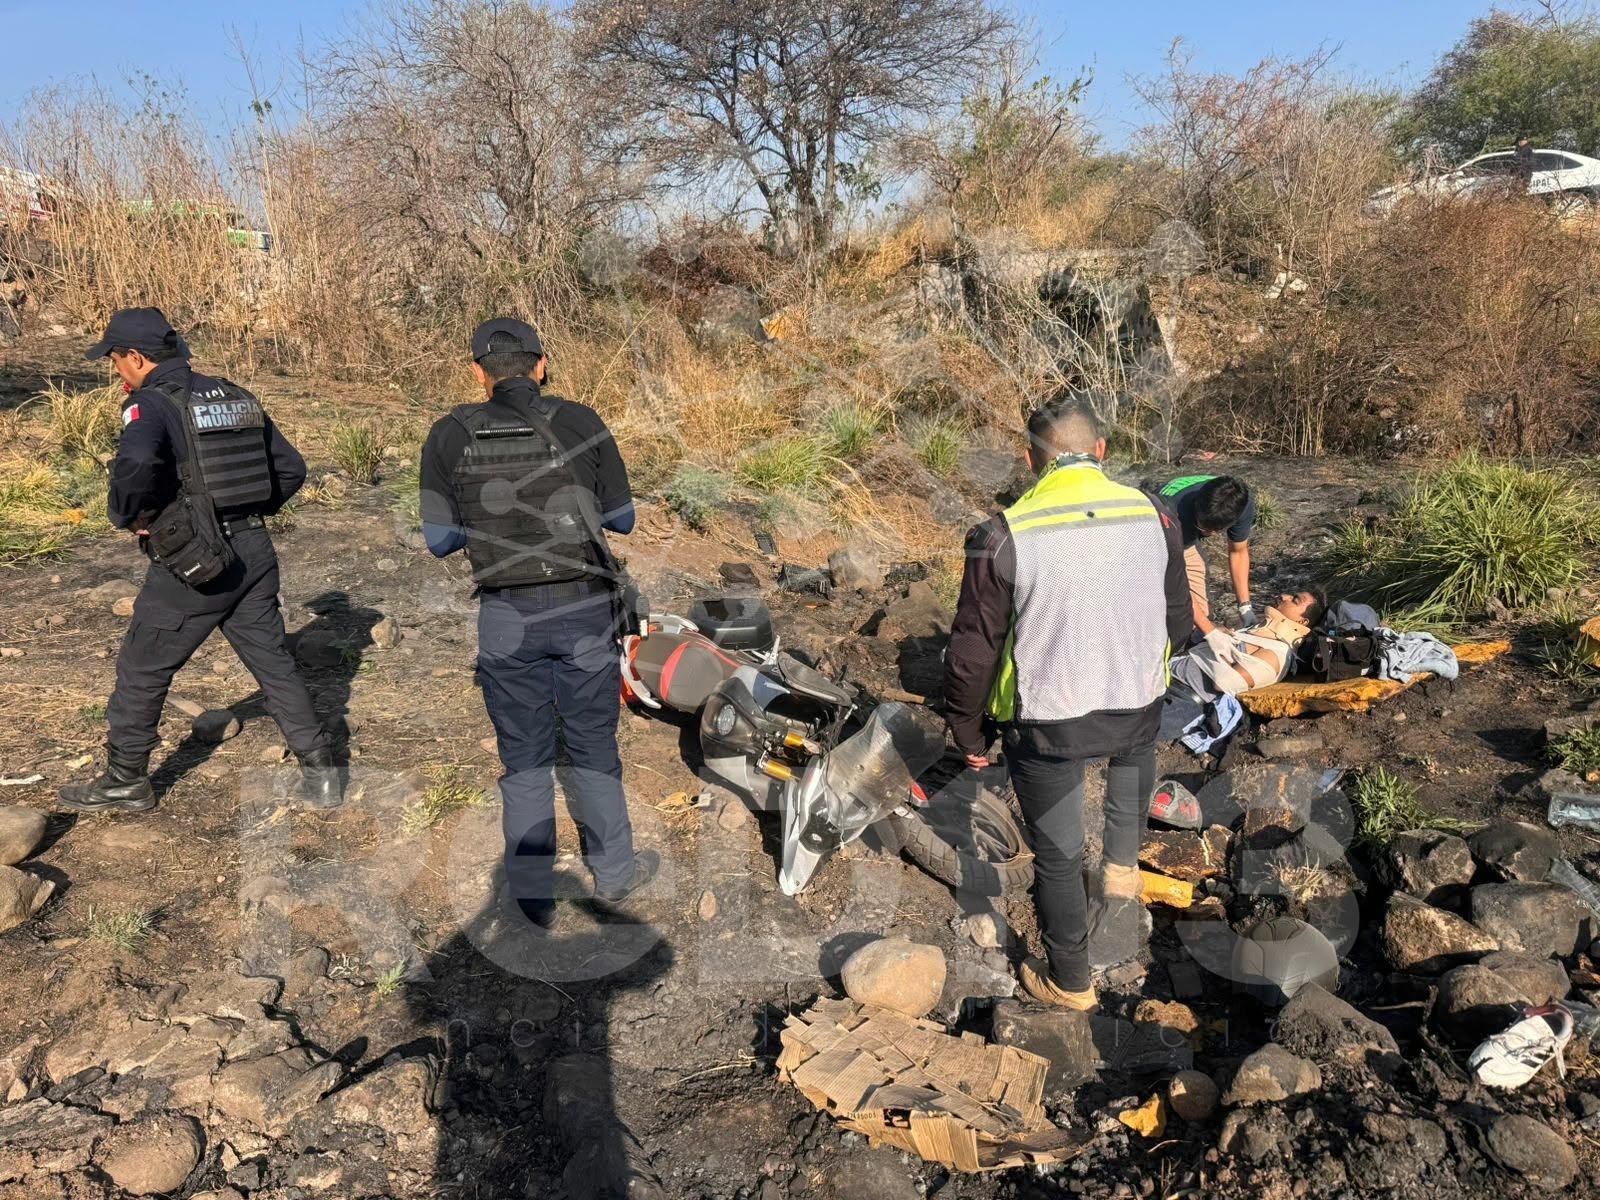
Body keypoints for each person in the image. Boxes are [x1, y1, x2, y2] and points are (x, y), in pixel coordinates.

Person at [944, 396, 1192, 1012]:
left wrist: (968, 733)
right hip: (1137, 706)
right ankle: (1119, 871)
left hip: (1050, 722)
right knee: (1129, 771)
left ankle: (1072, 984)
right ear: (1102, 452)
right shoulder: (1156, 514)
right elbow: (1178, 618)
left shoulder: (1003, 535)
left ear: (1032, 460)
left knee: (1056, 859)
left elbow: (973, 655)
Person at [419, 317, 654, 930]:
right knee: (593, 743)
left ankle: (531, 893)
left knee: (523, 755)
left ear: (478, 372)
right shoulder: (581, 420)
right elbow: (622, 519)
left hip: (506, 616)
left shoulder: (449, 434)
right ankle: (617, 873)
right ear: (541, 364)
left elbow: (440, 540)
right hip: (582, 610)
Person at [59, 308, 339, 814]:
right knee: (274, 662)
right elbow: (291, 469)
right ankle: (321, 773)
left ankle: (125, 780)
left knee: (142, 667)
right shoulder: (234, 394)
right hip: (254, 552)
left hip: (196, 563)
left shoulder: (152, 403)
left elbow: (138, 463)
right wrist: (246, 512)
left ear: (138, 358)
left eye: (115, 360)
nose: (115, 370)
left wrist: (129, 516)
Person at [1172, 588, 1326, 699]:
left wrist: (1225, 647)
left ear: (1302, 622)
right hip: (1167, 673)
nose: (1284, 596)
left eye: (1295, 600)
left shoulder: (1277, 653)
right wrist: (1214, 631)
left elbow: (1224, 682)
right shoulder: (1253, 631)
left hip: (1179, 694)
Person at [1156, 474, 1256, 636]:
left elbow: (1238, 552)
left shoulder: (1241, 503)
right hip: (1160, 531)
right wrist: (1209, 630)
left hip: (1183, 528)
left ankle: (1194, 638)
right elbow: (1175, 584)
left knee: (1200, 614)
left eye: (1213, 530)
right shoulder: (1171, 513)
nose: (1206, 533)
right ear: (1197, 505)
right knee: (1173, 611)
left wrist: (1245, 607)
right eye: (1201, 527)